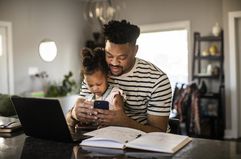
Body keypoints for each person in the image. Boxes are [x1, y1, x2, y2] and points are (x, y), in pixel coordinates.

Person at [66, 20, 172, 132]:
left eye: (122, 58)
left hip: (143, 144)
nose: (114, 63)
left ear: (135, 50)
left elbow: (160, 133)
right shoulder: (97, 71)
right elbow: (70, 120)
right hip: (102, 140)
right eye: (109, 55)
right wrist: (74, 114)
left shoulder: (157, 80)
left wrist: (124, 122)